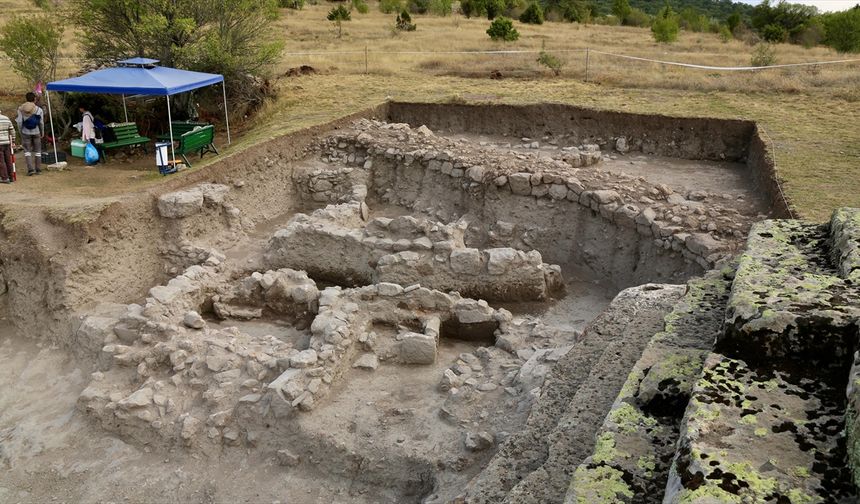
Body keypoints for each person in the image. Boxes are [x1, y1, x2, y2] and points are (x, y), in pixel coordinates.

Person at [16, 92, 44, 176]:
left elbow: (19, 122)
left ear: (26, 99)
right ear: (34, 99)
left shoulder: (20, 109)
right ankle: (38, 169)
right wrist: (42, 132)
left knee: (27, 151)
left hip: (25, 131)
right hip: (36, 131)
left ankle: (30, 170)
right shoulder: (39, 110)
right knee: (38, 150)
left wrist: (20, 131)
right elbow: (41, 122)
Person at [0, 109, 16, 184]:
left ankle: (4, 177)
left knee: (1, 161)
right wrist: (13, 141)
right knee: (8, 160)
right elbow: (12, 130)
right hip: (7, 142)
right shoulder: (6, 118)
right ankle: (11, 176)